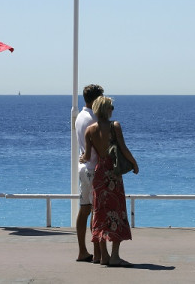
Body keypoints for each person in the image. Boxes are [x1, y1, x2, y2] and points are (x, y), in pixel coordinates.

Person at [86, 96, 138, 267]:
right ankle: (115, 256)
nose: (113, 110)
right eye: (111, 107)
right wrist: (134, 164)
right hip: (112, 175)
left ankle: (104, 256)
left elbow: (86, 156)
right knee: (116, 211)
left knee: (100, 213)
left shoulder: (90, 130)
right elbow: (123, 148)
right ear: (106, 109)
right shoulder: (114, 126)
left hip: (99, 173)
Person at [75, 84, 104, 262]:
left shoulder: (80, 116)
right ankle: (97, 253)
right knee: (96, 211)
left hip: (83, 168)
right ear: (95, 99)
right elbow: (101, 146)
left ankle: (82, 250)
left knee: (84, 208)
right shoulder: (94, 118)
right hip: (94, 168)